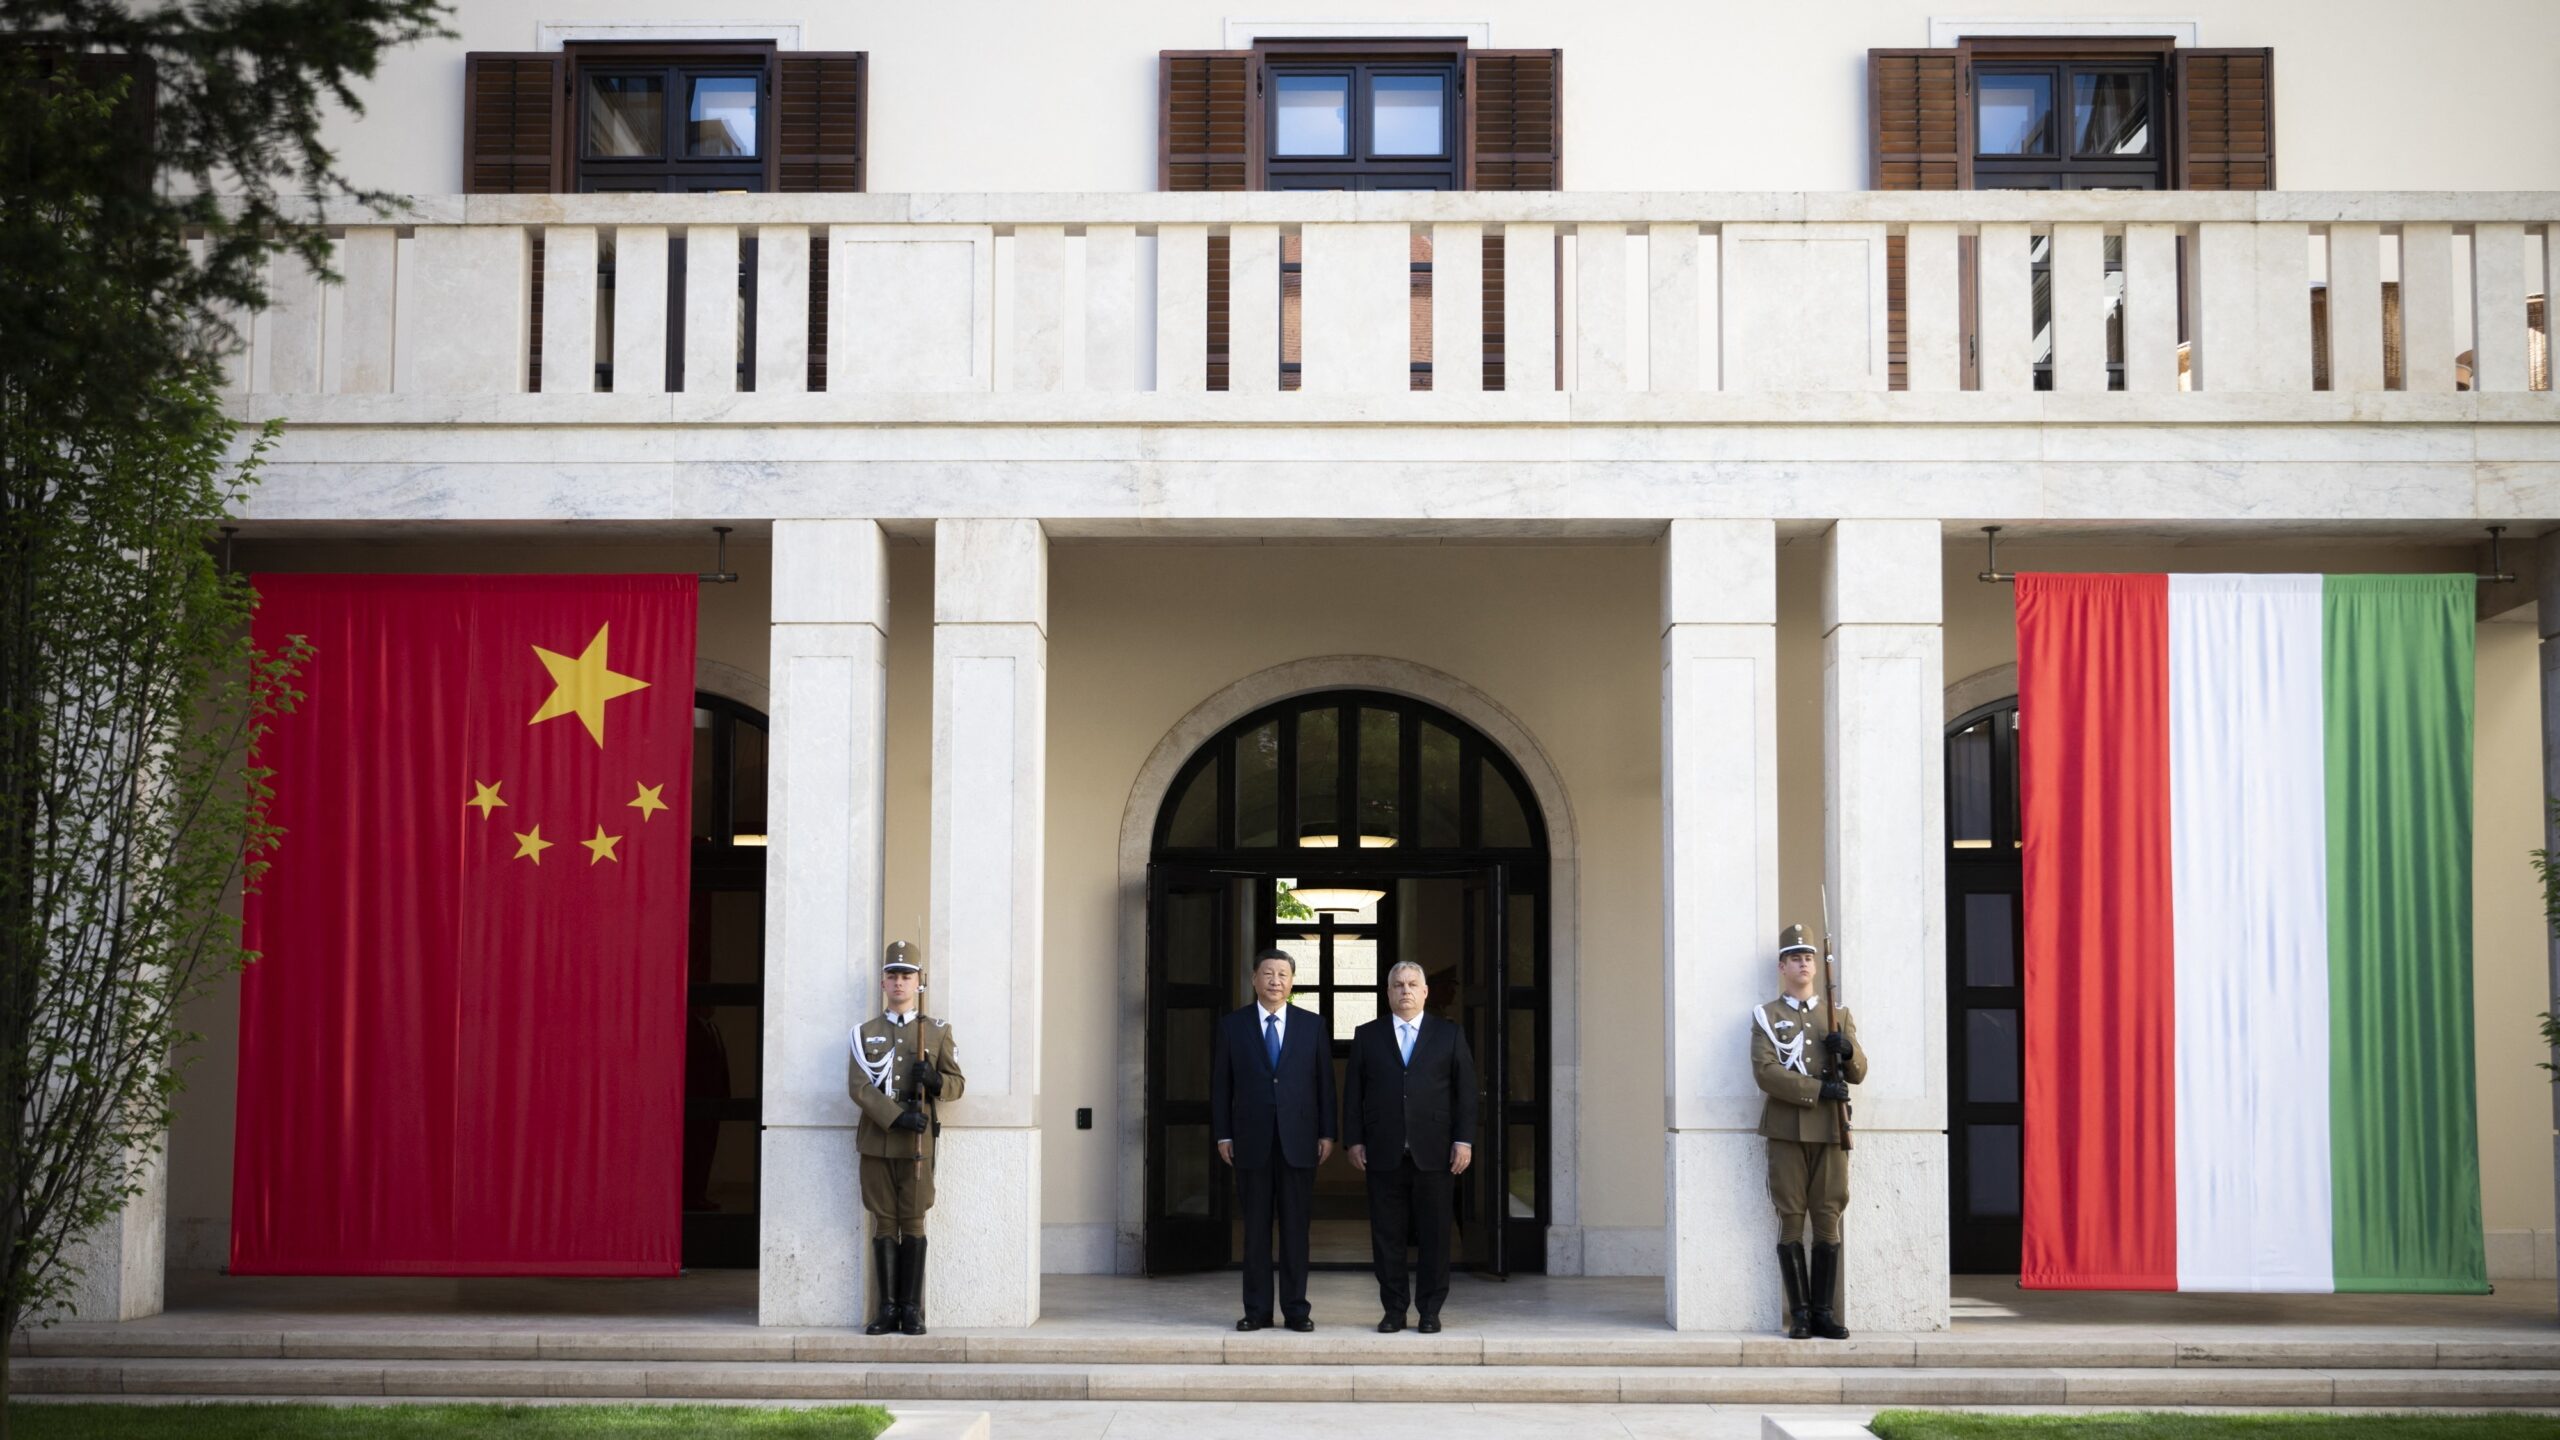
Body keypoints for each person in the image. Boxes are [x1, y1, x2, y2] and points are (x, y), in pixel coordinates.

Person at [1342, 960, 1478, 1334]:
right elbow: (1353, 1093)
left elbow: (1465, 1094)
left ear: (1424, 992)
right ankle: (1394, 1310)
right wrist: (1353, 1139)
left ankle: (1430, 1310)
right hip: (1383, 1152)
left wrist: (1463, 1140)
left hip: (1435, 1153)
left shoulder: (1448, 1034)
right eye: (1398, 985)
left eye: (1412, 984)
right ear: (1387, 993)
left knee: (1435, 1236)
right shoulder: (1368, 1035)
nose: (1405, 990)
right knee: (1387, 1237)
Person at [1210, 946, 1335, 1331]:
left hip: (1299, 1142)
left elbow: (1325, 1085)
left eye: (1283, 974)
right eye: (1268, 973)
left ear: (1292, 982)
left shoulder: (1312, 1025)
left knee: (1296, 1231)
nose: (1275, 981)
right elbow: (1221, 1086)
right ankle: (1257, 1311)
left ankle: (1297, 1310)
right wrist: (1223, 1134)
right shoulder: (1234, 1025)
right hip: (1251, 1141)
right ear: (1254, 979)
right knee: (1256, 1232)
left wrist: (1328, 1132)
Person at [1752, 922, 1864, 1341]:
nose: (1804, 963)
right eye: (1795, 957)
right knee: (1791, 1218)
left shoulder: (1838, 1014)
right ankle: (1798, 1313)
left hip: (1832, 1129)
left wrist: (1847, 1050)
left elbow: (1860, 1071)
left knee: (1829, 1216)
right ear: (1782, 966)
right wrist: (1818, 1089)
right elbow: (1766, 1073)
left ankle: (1823, 1313)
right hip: (1787, 1129)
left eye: (1809, 957)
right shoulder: (1768, 1016)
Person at [848, 940, 966, 1336]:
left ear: (919, 982)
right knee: (884, 1222)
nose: (899, 982)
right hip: (879, 1139)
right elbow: (859, 1088)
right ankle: (887, 1309)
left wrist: (934, 1081)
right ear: (883, 982)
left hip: (919, 1146)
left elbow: (956, 1083)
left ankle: (912, 1311)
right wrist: (897, 1118)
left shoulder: (935, 1031)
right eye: (892, 975)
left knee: (913, 1222)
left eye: (907, 975)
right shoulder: (865, 1033)